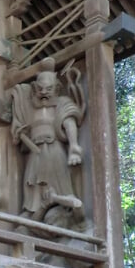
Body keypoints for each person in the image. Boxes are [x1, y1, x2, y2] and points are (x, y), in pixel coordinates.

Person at [10, 58, 86, 223]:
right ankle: (32, 210)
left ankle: (64, 208)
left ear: (57, 89)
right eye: (40, 89)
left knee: (57, 177)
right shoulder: (30, 108)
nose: (44, 92)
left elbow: (69, 123)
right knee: (32, 181)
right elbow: (20, 130)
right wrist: (20, 132)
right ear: (35, 89)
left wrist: (73, 147)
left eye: (49, 89)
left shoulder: (62, 104)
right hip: (34, 151)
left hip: (54, 148)